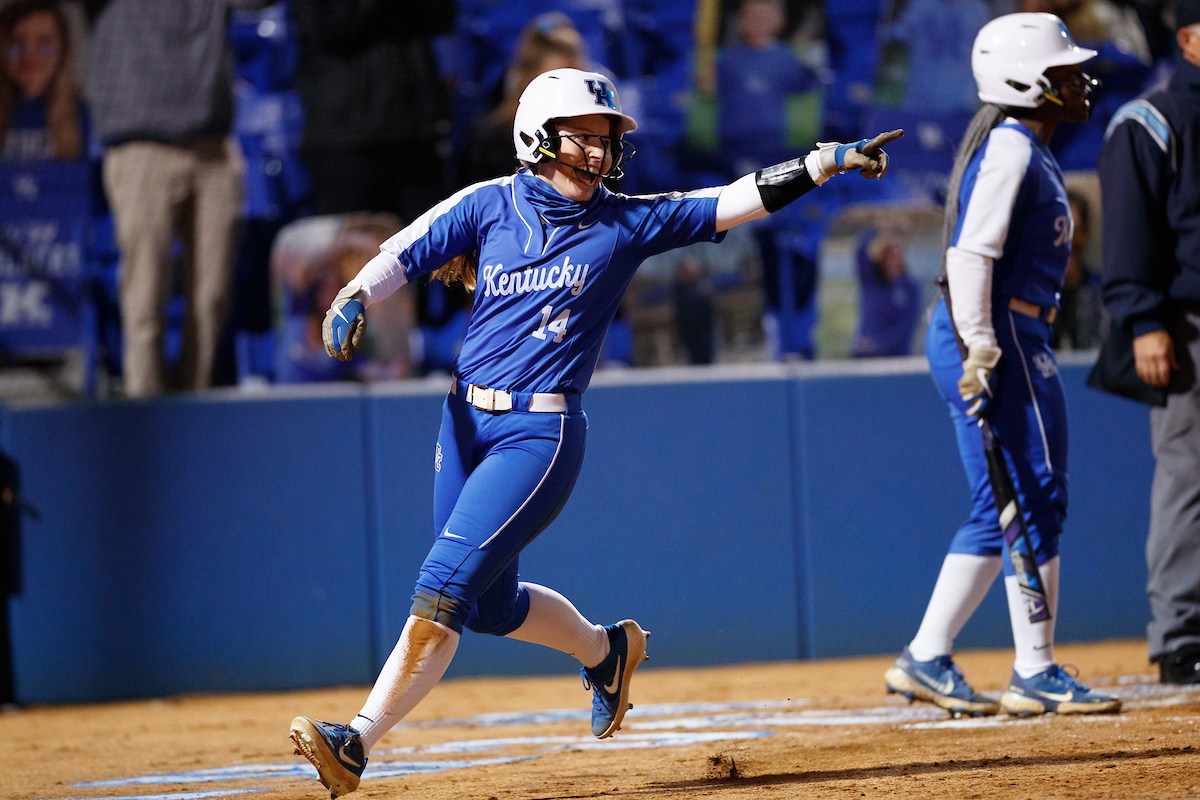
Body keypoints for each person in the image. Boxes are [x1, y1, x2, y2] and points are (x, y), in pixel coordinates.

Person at [287, 67, 900, 797]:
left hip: (538, 435)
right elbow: (406, 250)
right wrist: (355, 293)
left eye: (607, 139)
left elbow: (726, 203)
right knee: (486, 606)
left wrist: (821, 161)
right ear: (538, 138)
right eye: (585, 137)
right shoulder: (489, 204)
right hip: (463, 420)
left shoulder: (622, 222)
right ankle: (606, 652)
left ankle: (355, 742)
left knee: (442, 587)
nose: (600, 153)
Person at [882, 13, 1122, 717]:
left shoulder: (1024, 147)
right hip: (997, 332)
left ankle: (925, 657)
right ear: (1028, 82)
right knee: (1035, 492)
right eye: (1065, 71)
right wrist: (982, 345)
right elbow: (969, 255)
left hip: (1002, 331)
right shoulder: (1014, 148)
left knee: (1007, 502)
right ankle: (1036, 669)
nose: (1079, 81)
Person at [88, 0, 273, 397]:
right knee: (144, 298)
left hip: (214, 148)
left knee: (213, 298)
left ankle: (195, 409)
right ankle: (147, 417)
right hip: (139, 146)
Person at [1097, 0, 1200, 685]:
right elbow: (1130, 228)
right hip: (1188, 323)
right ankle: (1181, 635)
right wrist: (1143, 318)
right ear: (1190, 38)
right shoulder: (1152, 117)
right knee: (1190, 476)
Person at [0, 0, 87, 162]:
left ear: (63, 51)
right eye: (18, 44)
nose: (30, 54)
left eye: (44, 44)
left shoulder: (84, 120)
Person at [851, 226, 922, 358]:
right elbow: (860, 249)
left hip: (896, 357)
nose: (893, 258)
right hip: (865, 355)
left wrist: (878, 344)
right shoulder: (871, 282)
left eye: (897, 253)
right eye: (889, 253)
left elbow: (907, 326)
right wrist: (880, 228)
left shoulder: (911, 288)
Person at [1051, 191, 1106, 350]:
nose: (1069, 241)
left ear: (1085, 233)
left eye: (1074, 229)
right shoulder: (1035, 299)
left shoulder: (1102, 296)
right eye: (1060, 231)